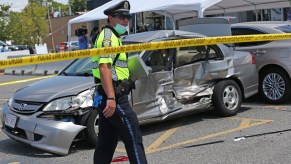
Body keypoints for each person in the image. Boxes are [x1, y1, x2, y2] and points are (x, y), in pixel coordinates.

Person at [91, 1, 148, 164]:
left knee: (106, 143)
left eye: (127, 17)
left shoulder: (114, 37)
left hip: (107, 95)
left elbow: (114, 67)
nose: (125, 21)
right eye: (122, 17)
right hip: (114, 97)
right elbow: (104, 67)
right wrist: (111, 97)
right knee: (133, 138)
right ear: (111, 18)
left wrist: (131, 73)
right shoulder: (108, 38)